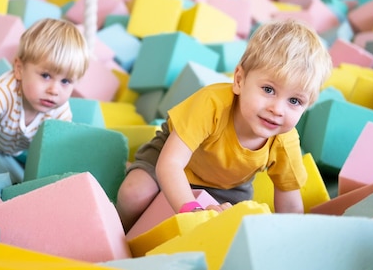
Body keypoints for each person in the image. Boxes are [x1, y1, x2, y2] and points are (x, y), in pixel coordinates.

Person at [115, 18, 333, 232]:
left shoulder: (284, 141)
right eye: (268, 89)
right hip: (170, 156)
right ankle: (119, 236)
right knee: (133, 194)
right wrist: (192, 210)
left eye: (294, 101)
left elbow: (290, 207)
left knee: (233, 233)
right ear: (239, 80)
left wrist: (289, 240)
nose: (277, 109)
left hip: (229, 188)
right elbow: (170, 164)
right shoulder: (212, 104)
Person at [0, 18, 90, 176]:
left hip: (7, 144)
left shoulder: (60, 112)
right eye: (45, 75)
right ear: (19, 69)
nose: (54, 90)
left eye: (65, 81)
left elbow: (58, 153)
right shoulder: (3, 92)